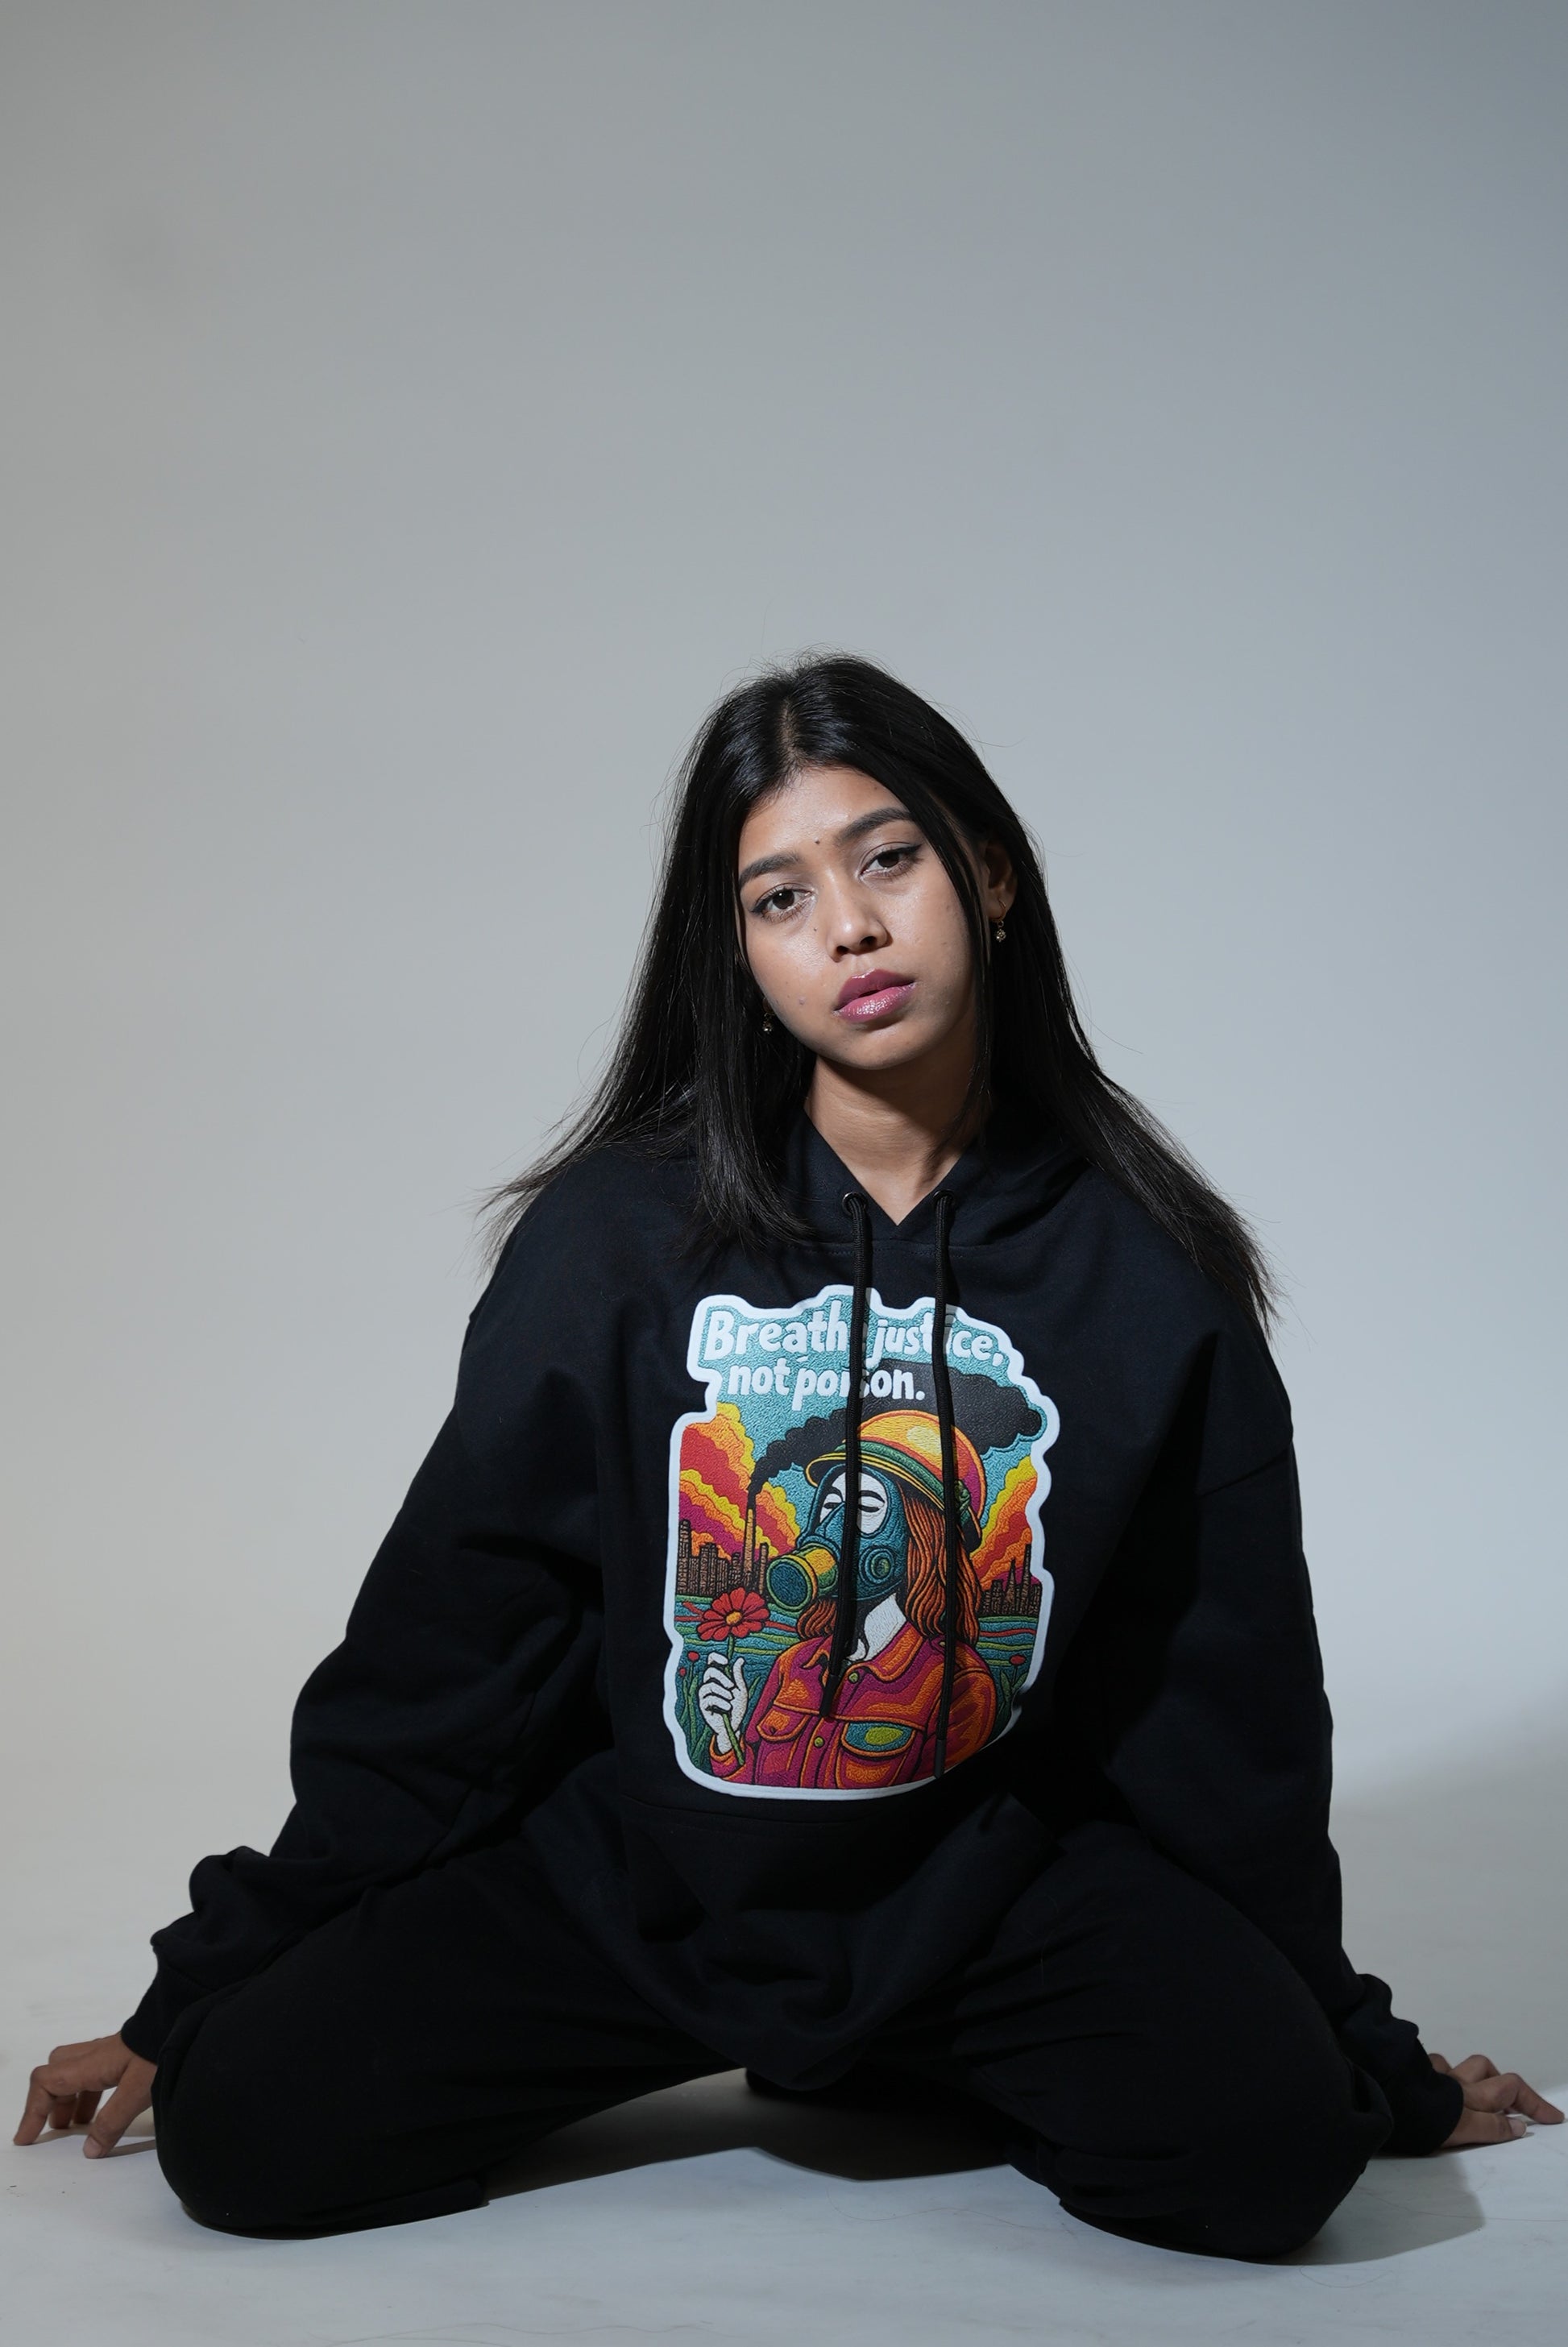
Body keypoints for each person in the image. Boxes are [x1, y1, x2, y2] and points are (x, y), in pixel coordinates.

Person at [15, 653, 1559, 2257]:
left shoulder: (1145, 1273)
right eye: (780, 896)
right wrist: (205, 1980)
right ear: (739, 951)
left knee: (1272, 2155)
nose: (850, 927)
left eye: (887, 857)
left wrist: (1358, 2051)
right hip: (644, 1879)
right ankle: (826, 2053)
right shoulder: (615, 1239)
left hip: (979, 1891)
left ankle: (903, 2047)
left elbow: (1220, 1714)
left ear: (990, 876)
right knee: (247, 2134)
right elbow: (453, 1651)